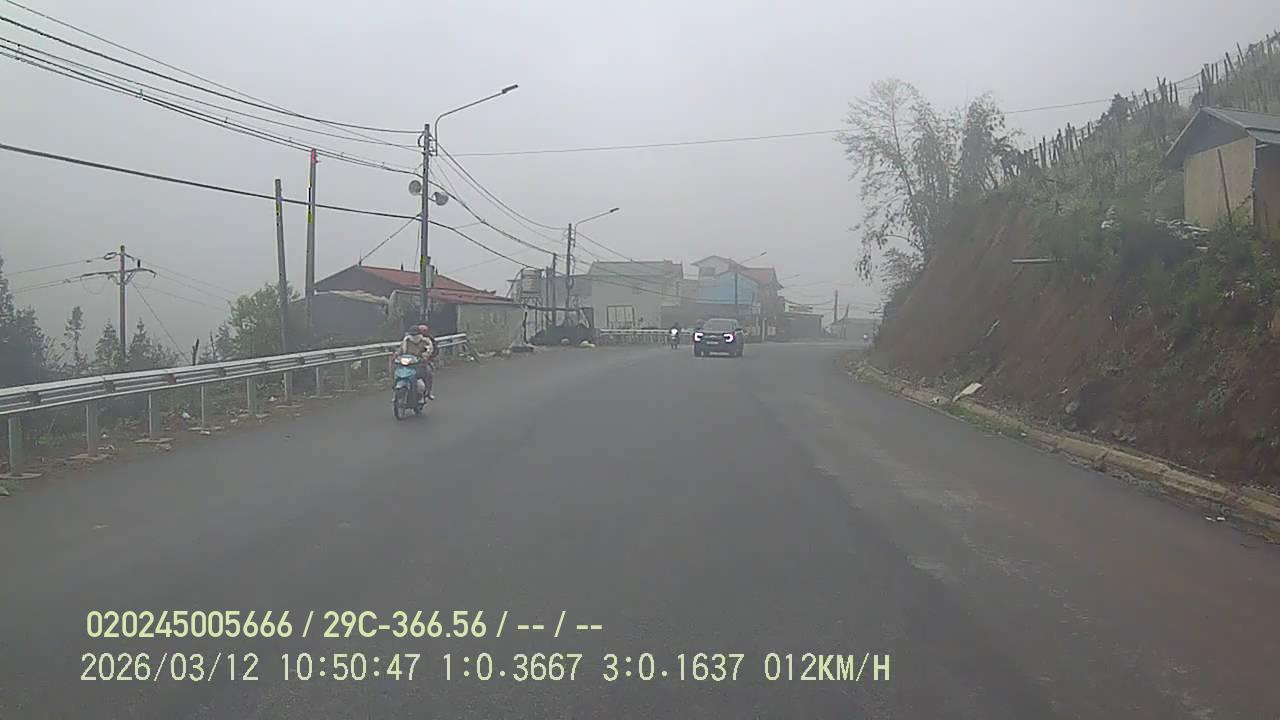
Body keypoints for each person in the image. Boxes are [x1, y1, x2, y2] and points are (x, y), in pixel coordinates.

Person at [398, 323, 439, 400]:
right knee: (397, 371)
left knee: (428, 372)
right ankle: (396, 391)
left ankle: (427, 392)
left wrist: (426, 356)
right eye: (412, 334)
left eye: (415, 334)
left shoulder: (426, 341)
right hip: (408, 362)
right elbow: (401, 349)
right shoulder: (406, 340)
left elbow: (430, 350)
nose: (414, 336)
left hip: (420, 363)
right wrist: (396, 355)